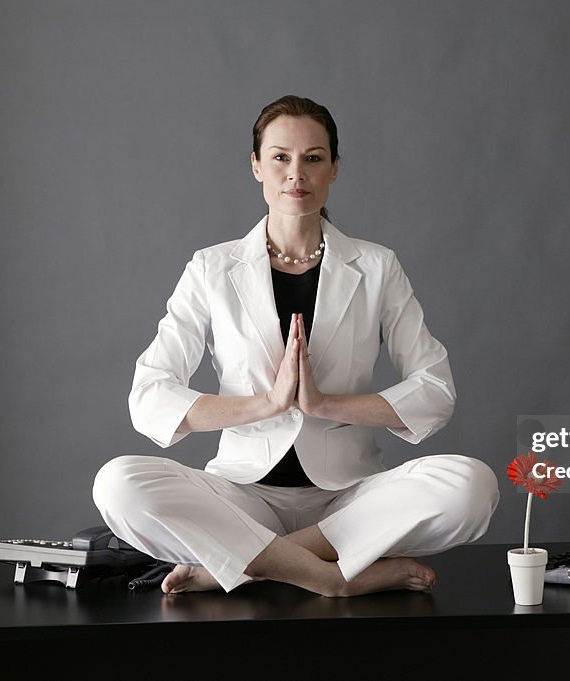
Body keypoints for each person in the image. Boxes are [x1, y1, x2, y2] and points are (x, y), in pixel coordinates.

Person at [92, 95, 499, 597]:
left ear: (333, 170)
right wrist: (266, 404)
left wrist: (324, 404)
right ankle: (333, 578)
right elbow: (149, 396)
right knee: (118, 483)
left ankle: (246, 562)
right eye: (280, 157)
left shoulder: (376, 267)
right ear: (257, 166)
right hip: (240, 494)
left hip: (349, 496)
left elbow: (435, 391)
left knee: (472, 485)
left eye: (313, 158)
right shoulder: (211, 268)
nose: (296, 174)